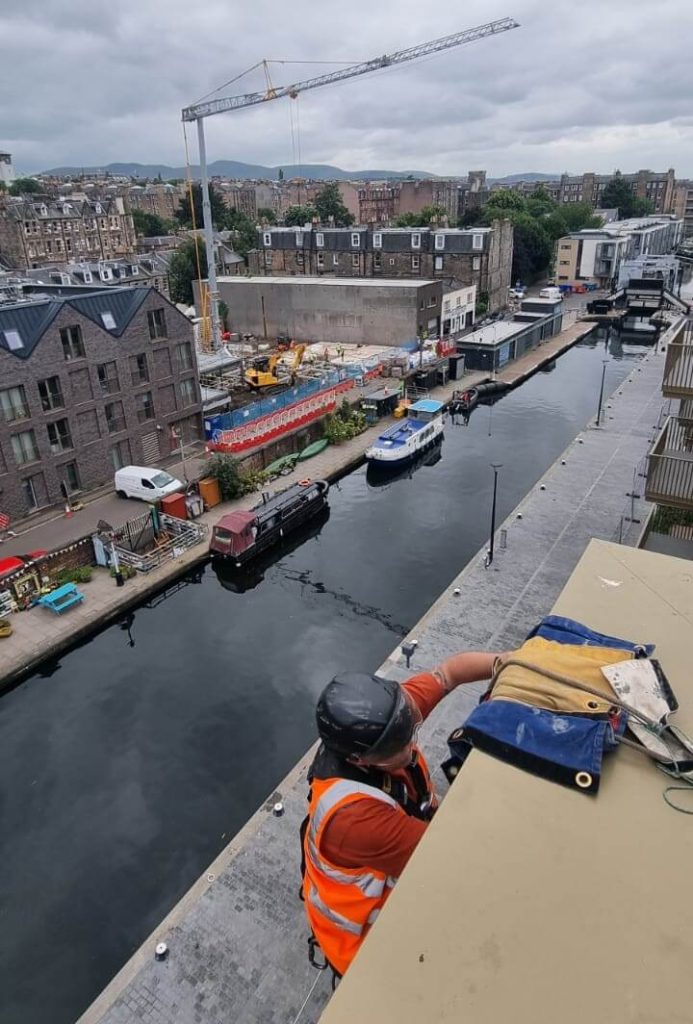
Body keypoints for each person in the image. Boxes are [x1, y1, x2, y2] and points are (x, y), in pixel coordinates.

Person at [301, 651, 501, 978]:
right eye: (397, 746)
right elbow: (459, 859)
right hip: (363, 942)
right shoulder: (355, 822)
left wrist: (510, 662)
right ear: (359, 760)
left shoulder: (390, 723)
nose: (409, 746)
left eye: (409, 732)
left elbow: (450, 672)